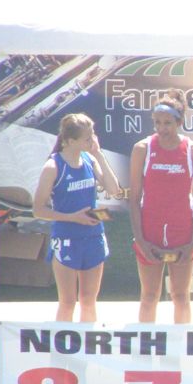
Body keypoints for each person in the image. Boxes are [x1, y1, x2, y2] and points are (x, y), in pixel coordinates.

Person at [33, 113, 120, 322]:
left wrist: (99, 154)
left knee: (89, 300)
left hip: (93, 237)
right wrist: (72, 217)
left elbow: (114, 189)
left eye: (93, 136)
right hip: (67, 238)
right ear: (70, 141)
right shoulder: (53, 167)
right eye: (87, 138)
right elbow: (38, 210)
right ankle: (62, 349)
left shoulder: (89, 159)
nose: (92, 141)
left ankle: (88, 351)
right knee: (68, 301)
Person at [129, 89, 193, 324]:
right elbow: (133, 198)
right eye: (157, 123)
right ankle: (144, 352)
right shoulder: (142, 149)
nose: (162, 128)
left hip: (181, 232)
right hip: (150, 231)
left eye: (168, 123)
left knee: (181, 296)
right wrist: (141, 240)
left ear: (180, 122)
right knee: (149, 296)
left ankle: (181, 351)